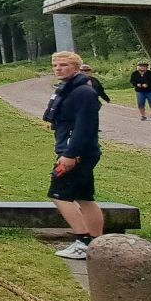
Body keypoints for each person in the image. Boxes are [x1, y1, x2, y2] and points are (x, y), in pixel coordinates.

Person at [47, 51, 104, 260]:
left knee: (59, 195)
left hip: (76, 153)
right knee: (84, 197)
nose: (58, 69)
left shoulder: (83, 92)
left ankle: (83, 241)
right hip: (80, 151)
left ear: (76, 67)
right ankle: (97, 243)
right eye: (55, 65)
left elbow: (84, 126)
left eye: (63, 65)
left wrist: (70, 154)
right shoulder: (69, 89)